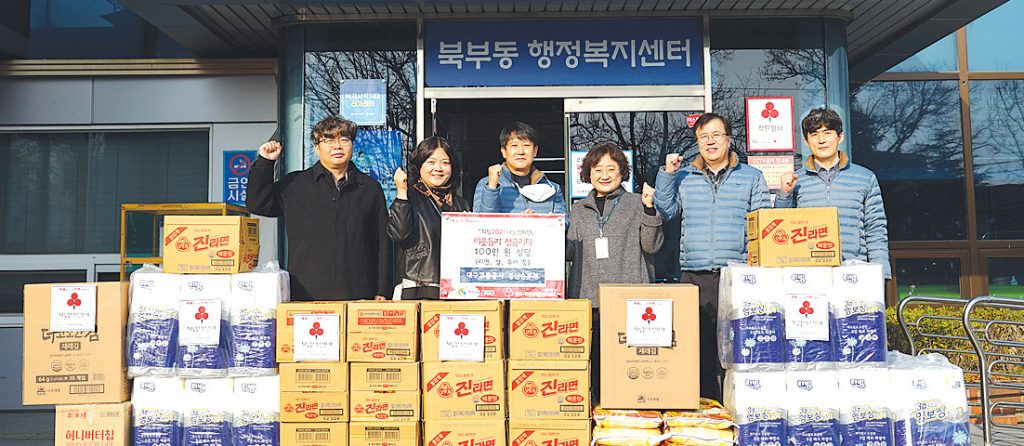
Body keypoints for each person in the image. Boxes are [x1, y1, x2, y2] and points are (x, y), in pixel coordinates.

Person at [653, 112, 771, 401]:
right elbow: (666, 211)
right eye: (703, 137)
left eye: (716, 135)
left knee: (738, 347)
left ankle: (739, 404)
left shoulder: (751, 177)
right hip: (693, 274)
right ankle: (706, 409)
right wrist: (667, 174)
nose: (710, 142)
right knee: (696, 348)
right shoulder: (684, 177)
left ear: (728, 140)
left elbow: (762, 223)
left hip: (736, 275)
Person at [246, 116, 389, 301]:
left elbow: (381, 243)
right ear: (316, 148)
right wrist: (265, 162)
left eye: (344, 140)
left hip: (358, 292)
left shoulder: (369, 188)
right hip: (306, 293)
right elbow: (257, 203)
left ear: (352, 145)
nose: (337, 146)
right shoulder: (296, 184)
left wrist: (382, 289)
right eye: (328, 140)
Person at [566, 142, 663, 403]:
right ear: (588, 173)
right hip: (589, 299)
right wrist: (545, 229)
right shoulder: (578, 209)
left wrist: (650, 209)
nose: (604, 175)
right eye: (597, 169)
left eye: (611, 169)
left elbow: (651, 245)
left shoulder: (636, 203)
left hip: (630, 299)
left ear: (622, 172)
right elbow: (569, 252)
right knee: (594, 365)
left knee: (628, 365)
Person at [777, 107, 891, 278]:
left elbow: (875, 229)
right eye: (814, 134)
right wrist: (785, 194)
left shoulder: (865, 177)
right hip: (809, 271)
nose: (821, 140)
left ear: (840, 137)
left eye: (827, 133)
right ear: (806, 142)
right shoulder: (796, 180)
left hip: (854, 269)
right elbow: (781, 231)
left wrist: (882, 273)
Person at [387, 136, 471, 299]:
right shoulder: (409, 198)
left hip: (454, 288)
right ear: (419, 166)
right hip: (417, 286)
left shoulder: (461, 204)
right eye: (431, 162)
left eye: (445, 163)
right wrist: (402, 193)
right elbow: (400, 235)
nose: (438, 168)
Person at [473, 122, 567, 215]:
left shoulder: (552, 188)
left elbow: (563, 222)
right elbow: (481, 221)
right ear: (503, 151)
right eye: (514, 145)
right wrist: (492, 188)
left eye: (526, 145)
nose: (521, 151)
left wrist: (539, 221)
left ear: (535, 151)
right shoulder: (486, 185)